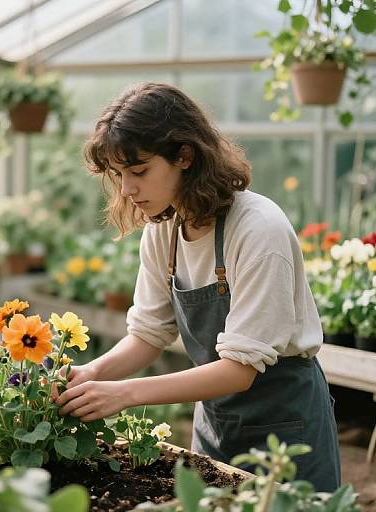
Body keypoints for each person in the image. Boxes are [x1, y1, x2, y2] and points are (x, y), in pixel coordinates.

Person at [54, 82, 341, 491]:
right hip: (215, 425)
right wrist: (90, 374)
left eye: (139, 172)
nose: (127, 190)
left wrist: (123, 394)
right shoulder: (164, 231)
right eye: (118, 176)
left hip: (287, 427)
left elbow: (239, 371)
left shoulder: (259, 230)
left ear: (185, 156)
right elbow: (148, 336)